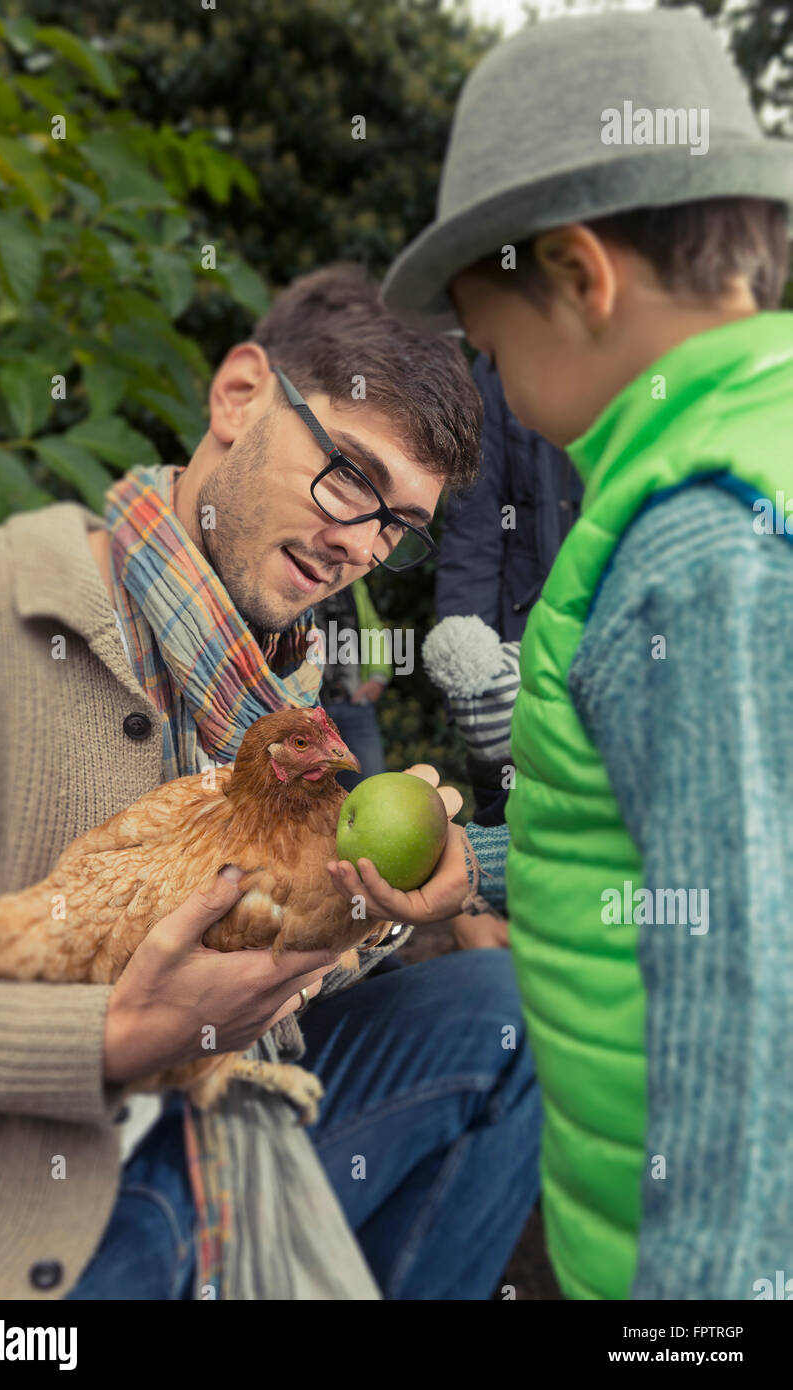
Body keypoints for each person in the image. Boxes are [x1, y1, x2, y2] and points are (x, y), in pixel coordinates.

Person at [0, 265, 542, 1301]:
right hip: (21, 1196)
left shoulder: (291, 683)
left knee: (505, 1009)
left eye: (396, 524)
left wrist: (378, 901)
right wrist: (108, 1039)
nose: (359, 541)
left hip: (228, 1112)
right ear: (241, 394)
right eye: (349, 473)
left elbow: (269, 951)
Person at [340, 8, 793, 1299]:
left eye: (484, 341)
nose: (486, 375)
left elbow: (745, 1015)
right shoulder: (712, 472)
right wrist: (482, 862)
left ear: (581, 278)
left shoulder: (695, 551)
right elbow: (672, 852)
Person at [436, 352, 582, 825]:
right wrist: (472, 682)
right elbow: (474, 527)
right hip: (522, 648)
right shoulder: (498, 372)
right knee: (511, 825)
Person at [315, 577, 391, 792]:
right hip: (306, 709)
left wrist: (378, 677)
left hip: (354, 703)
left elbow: (371, 627)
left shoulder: (353, 581)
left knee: (371, 790)